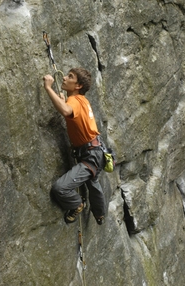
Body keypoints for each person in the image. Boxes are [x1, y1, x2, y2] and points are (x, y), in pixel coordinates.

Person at [43, 67, 106, 225]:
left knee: (60, 188)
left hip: (91, 155)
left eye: (70, 77)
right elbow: (71, 111)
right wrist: (64, 101)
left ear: (78, 86)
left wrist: (48, 87)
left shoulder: (74, 102)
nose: (64, 78)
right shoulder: (82, 101)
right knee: (92, 181)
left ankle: (76, 204)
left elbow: (66, 110)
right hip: (96, 151)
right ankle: (100, 215)